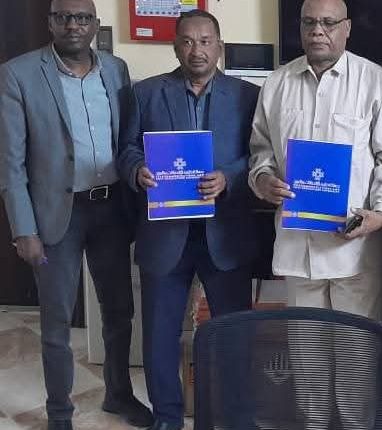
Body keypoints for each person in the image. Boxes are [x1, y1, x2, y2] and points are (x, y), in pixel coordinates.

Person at [248, 0, 382, 428]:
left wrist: (380, 213)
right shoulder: (276, 84)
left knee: (356, 357)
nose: (318, 30)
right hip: (298, 249)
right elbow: (260, 150)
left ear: (347, 28)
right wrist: (263, 179)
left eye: (329, 22)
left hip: (354, 248)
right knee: (307, 358)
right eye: (310, 22)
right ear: (300, 28)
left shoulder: (375, 81)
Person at [0, 1, 152, 429]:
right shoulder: (18, 74)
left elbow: (128, 138)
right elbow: (10, 164)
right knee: (56, 322)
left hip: (111, 209)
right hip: (55, 216)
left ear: (95, 24)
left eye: (82, 17)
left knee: (118, 312)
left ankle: (118, 395)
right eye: (63, 17)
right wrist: (23, 229)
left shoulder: (116, 69)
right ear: (50, 22)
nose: (73, 25)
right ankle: (60, 413)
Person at [117, 10, 260, 430]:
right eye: (187, 41)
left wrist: (229, 177)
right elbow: (126, 149)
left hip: (225, 234)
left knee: (233, 336)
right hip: (165, 234)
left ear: (220, 46)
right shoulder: (145, 93)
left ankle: (233, 419)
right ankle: (167, 419)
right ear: (175, 46)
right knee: (160, 336)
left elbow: (261, 155)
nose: (197, 50)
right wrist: (137, 170)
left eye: (205, 41)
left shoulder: (248, 96)